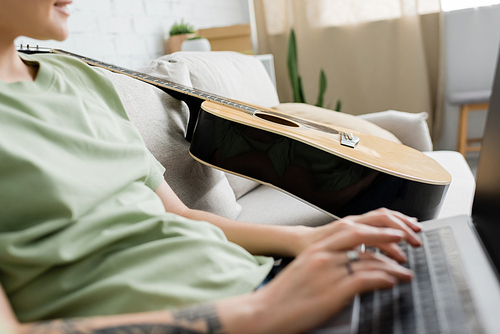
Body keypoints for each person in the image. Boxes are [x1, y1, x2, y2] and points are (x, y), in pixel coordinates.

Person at [0, 0, 422, 333]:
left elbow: (180, 215)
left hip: (262, 286)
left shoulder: (79, 78)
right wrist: (259, 312)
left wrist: (307, 239)